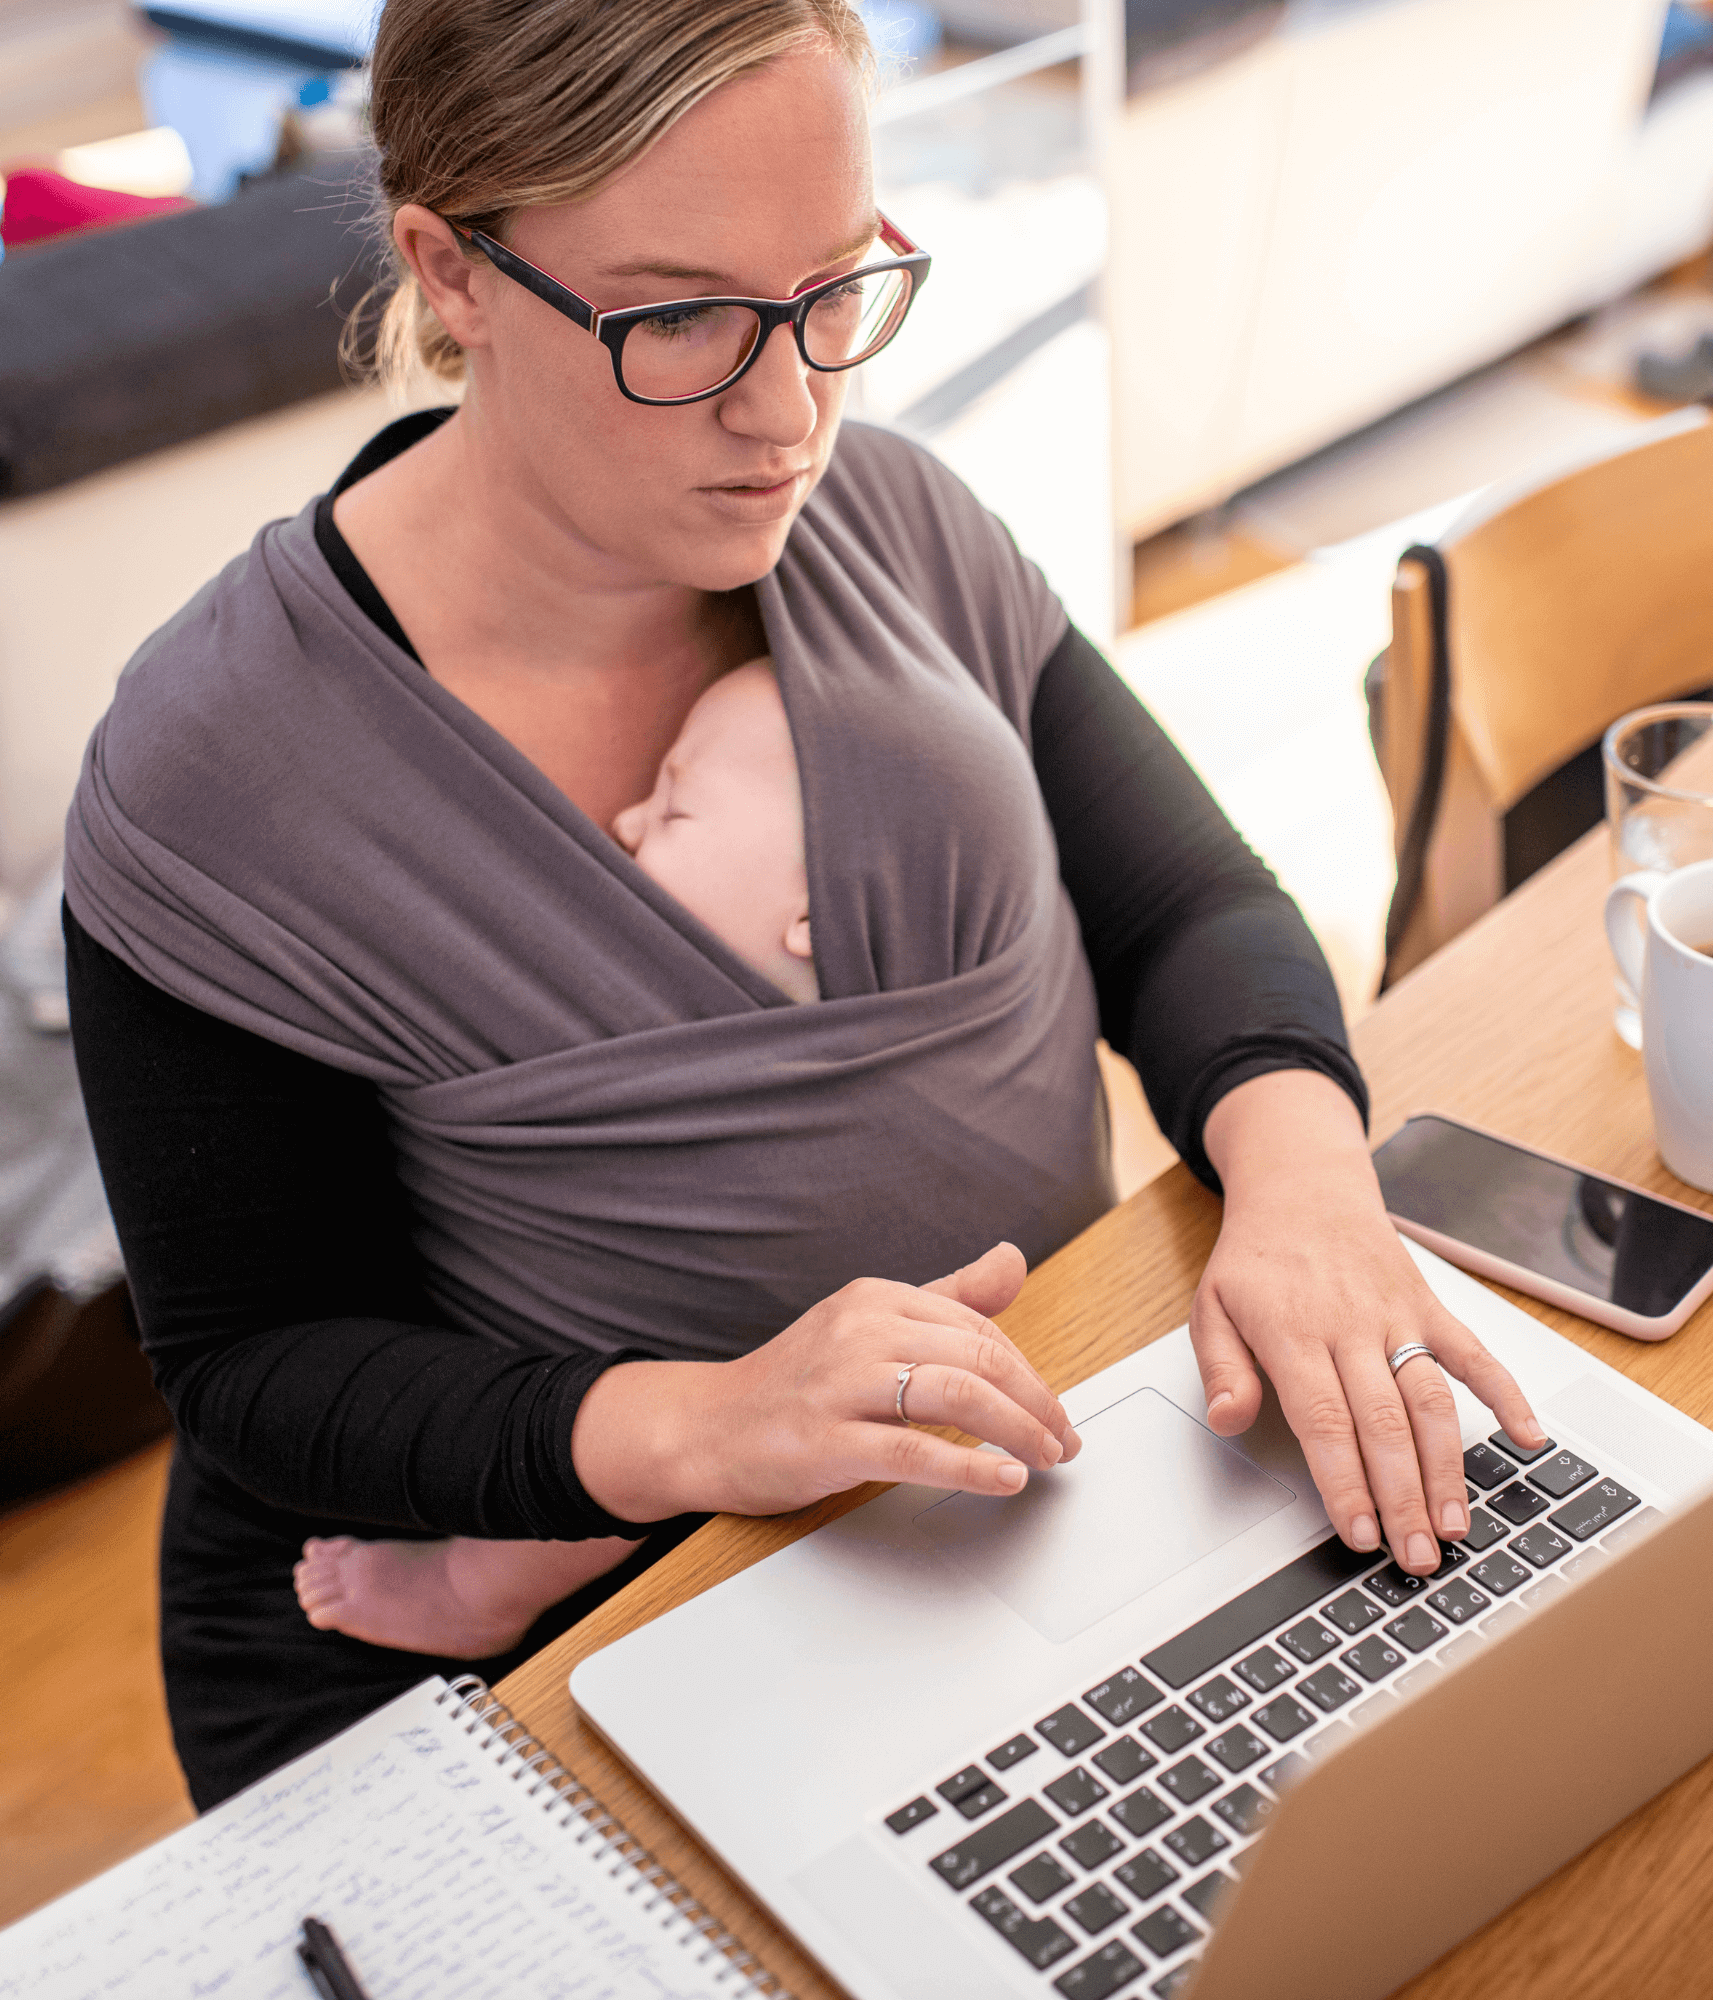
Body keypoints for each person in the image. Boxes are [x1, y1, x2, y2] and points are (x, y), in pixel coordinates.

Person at [64, 0, 1544, 1812]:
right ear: (451, 271)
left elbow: (1182, 902)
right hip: (560, 1615)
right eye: (679, 318)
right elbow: (262, 1368)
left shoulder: (897, 517)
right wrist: (712, 1422)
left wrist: (1309, 1190)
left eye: (833, 287)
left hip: (1013, 1486)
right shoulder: (218, 763)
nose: (789, 416)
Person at [291, 657, 815, 1655]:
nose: (623, 821)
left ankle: (474, 1587)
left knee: (637, 1410)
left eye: (675, 809)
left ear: (810, 919)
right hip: (685, 1376)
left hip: (727, 1346)